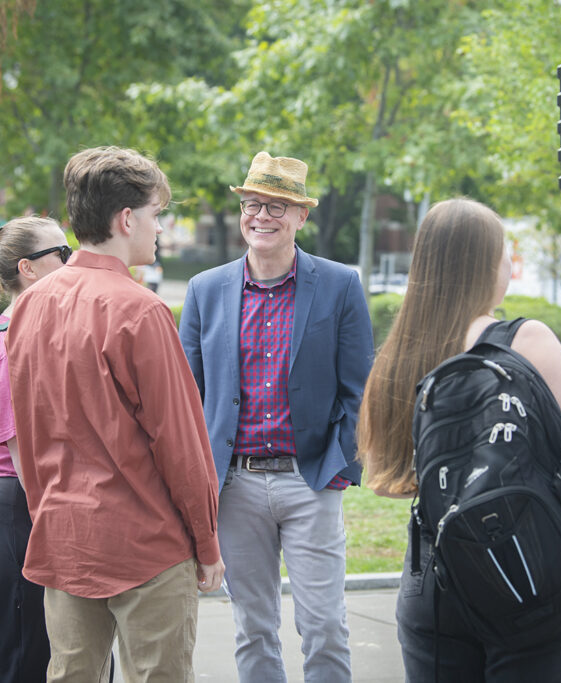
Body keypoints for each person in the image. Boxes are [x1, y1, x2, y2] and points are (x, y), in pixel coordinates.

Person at [355, 197, 561, 682]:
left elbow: (392, 474)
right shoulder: (523, 338)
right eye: (504, 253)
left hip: (432, 579)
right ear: (485, 265)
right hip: (522, 572)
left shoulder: (400, 349)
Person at [6, 146, 224, 682]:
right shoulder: (141, 310)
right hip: (146, 545)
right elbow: (181, 443)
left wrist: (48, 511)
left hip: (65, 535)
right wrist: (208, 542)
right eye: (156, 214)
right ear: (126, 218)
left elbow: (29, 433)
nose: (158, 229)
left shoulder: (31, 303)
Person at [179, 151, 374, 682]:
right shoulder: (204, 290)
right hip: (235, 485)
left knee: (325, 626)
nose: (262, 216)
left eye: (277, 206)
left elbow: (361, 389)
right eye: (253, 204)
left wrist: (338, 469)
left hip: (310, 481)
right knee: (254, 628)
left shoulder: (339, 285)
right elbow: (185, 396)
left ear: (301, 217)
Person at [0, 216, 68, 682]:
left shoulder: (28, 338)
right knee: (24, 667)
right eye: (62, 254)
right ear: (27, 268)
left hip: (24, 515)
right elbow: (31, 470)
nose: (73, 262)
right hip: (19, 515)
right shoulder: (8, 352)